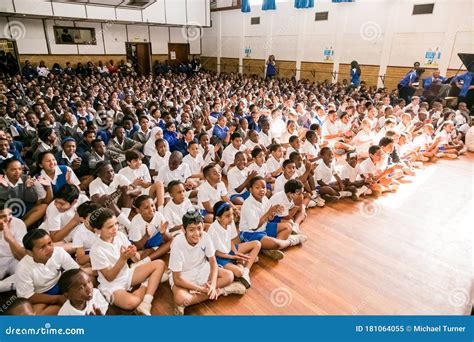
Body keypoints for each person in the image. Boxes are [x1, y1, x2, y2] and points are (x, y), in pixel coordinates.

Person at [169, 209, 246, 315]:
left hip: (202, 268)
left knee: (229, 276)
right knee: (181, 299)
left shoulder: (205, 236)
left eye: (199, 228)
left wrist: (213, 285)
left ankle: (216, 291)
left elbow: (213, 263)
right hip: (184, 275)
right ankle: (223, 291)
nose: (197, 233)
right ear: (183, 229)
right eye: (191, 230)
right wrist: (201, 289)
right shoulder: (177, 243)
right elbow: (177, 279)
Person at [89, 208, 165, 315]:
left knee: (160, 264)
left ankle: (146, 302)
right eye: (110, 226)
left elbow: (137, 259)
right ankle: (147, 283)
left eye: (116, 224)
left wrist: (134, 254)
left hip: (127, 274)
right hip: (112, 286)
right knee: (132, 303)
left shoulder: (120, 235)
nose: (115, 228)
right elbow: (109, 277)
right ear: (97, 230)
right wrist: (122, 259)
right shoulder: (96, 250)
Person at [239, 176, 306, 261]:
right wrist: (270, 212)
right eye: (257, 187)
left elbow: (269, 218)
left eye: (263, 187)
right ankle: (291, 241)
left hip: (264, 227)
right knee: (276, 244)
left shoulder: (264, 199)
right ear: (250, 190)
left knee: (288, 227)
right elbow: (254, 227)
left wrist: (274, 212)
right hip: (251, 233)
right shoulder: (248, 204)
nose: (261, 190)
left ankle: (269, 249)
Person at [15, 229, 79, 315]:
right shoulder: (22, 268)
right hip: (41, 294)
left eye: (50, 243)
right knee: (34, 315)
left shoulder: (59, 252)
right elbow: (28, 296)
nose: (49, 248)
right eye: (42, 247)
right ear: (29, 252)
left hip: (61, 284)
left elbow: (75, 271)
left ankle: (66, 309)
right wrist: (57, 299)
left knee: (86, 283)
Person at [208, 201, 261, 288]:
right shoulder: (213, 230)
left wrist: (235, 252)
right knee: (239, 272)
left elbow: (231, 240)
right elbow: (215, 253)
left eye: (232, 214)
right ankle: (241, 264)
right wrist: (233, 257)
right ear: (218, 218)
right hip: (220, 257)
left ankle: (246, 271)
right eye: (227, 216)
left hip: (230, 250)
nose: (231, 218)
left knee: (257, 244)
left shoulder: (230, 222)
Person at [129, 195, 172, 261]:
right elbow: (138, 246)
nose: (151, 209)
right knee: (135, 256)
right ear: (138, 210)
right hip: (142, 244)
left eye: (152, 205)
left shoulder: (159, 216)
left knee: (173, 241)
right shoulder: (135, 221)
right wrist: (146, 236)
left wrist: (163, 233)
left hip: (154, 241)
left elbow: (169, 239)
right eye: (146, 208)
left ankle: (149, 258)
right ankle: (158, 249)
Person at [0, 200, 27, 293]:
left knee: (27, 273)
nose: (8, 219)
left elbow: (22, 256)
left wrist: (10, 239)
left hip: (15, 258)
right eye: (2, 216)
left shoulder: (18, 223)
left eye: (10, 214)